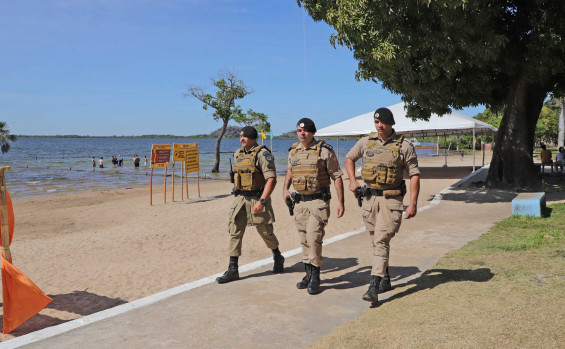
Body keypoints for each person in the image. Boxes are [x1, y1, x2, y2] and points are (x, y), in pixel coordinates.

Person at [345, 107, 420, 304]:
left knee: (381, 241)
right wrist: (352, 181)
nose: (379, 126)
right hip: (369, 200)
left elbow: (414, 174)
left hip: (392, 200)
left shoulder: (404, 146)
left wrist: (413, 203)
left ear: (391, 123)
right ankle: (386, 277)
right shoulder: (366, 142)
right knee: (375, 241)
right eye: (376, 122)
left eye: (383, 123)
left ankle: (374, 285)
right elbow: (349, 158)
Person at [283, 118, 345, 295]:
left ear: (312, 133)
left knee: (313, 238)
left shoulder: (325, 151)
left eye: (306, 131)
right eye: (299, 131)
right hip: (300, 202)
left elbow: (337, 176)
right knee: (303, 239)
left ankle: (316, 276)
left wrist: (341, 202)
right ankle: (308, 275)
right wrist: (285, 190)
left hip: (318, 202)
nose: (302, 133)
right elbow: (289, 171)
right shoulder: (293, 151)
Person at [216, 126, 284, 284]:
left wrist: (262, 201)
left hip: (257, 198)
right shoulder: (237, 153)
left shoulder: (262, 154)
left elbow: (271, 179)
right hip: (240, 199)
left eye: (245, 137)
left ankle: (277, 256)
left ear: (253, 138)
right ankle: (233, 269)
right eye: (241, 136)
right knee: (235, 232)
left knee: (266, 232)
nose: (242, 139)